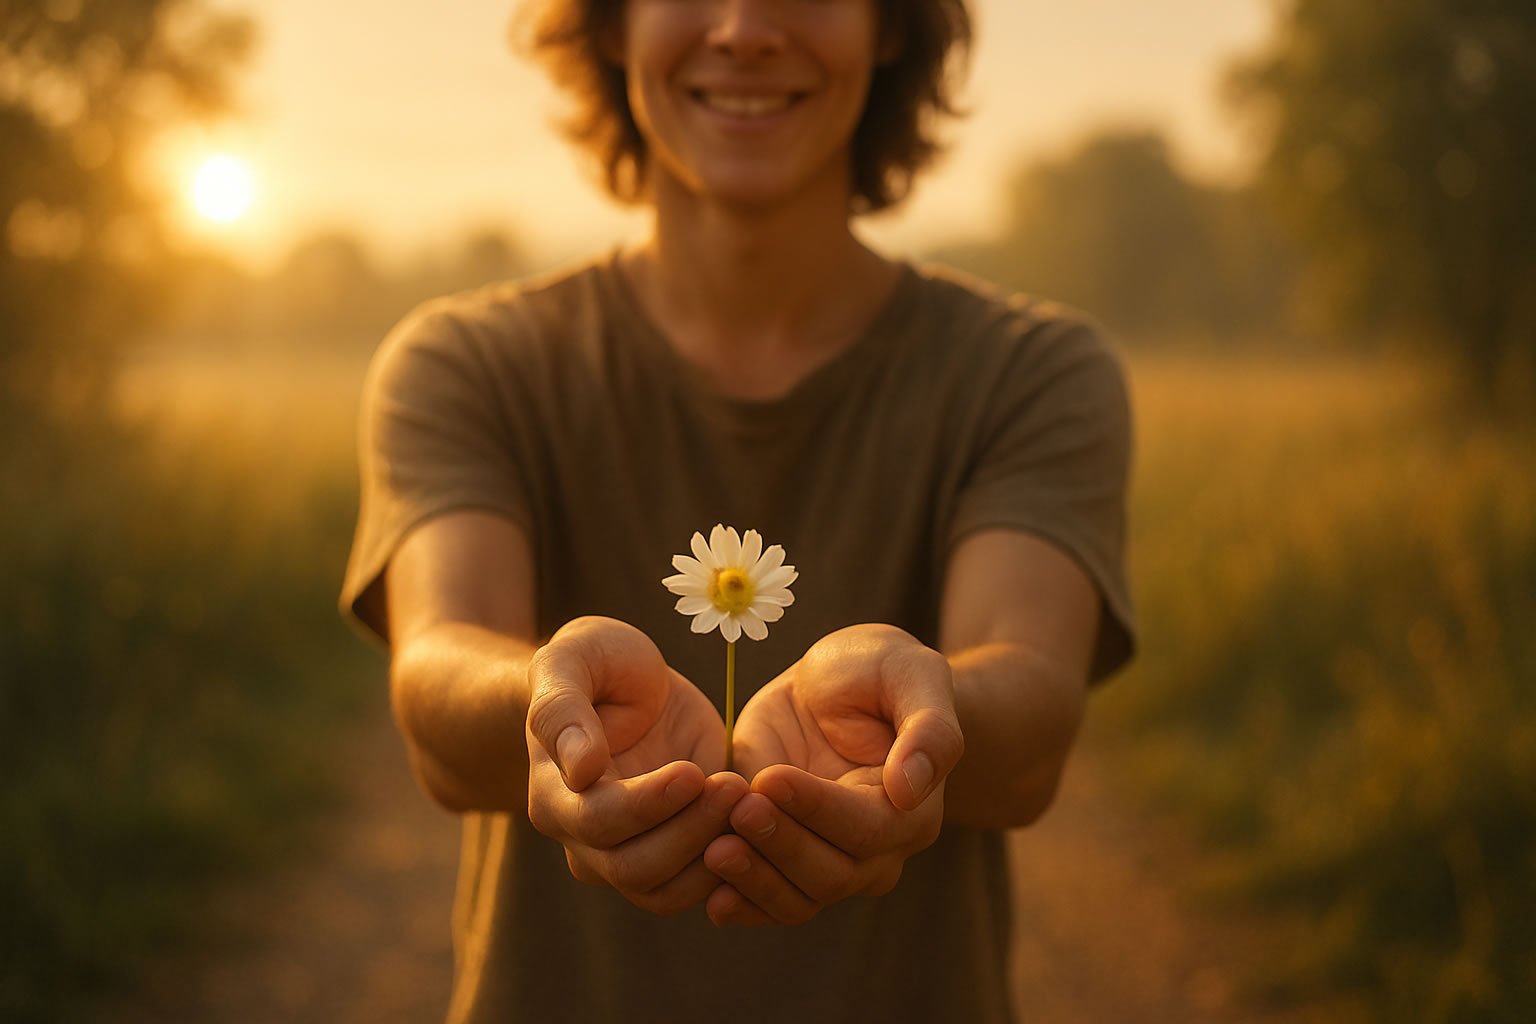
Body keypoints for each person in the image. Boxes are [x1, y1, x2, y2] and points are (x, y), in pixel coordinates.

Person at [340, 0, 1135, 1020]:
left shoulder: (1031, 374)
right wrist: (544, 697)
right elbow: (438, 682)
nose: (745, 27)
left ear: (890, 24)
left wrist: (923, 707)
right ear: (612, 24)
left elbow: (1028, 722)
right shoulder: (464, 365)